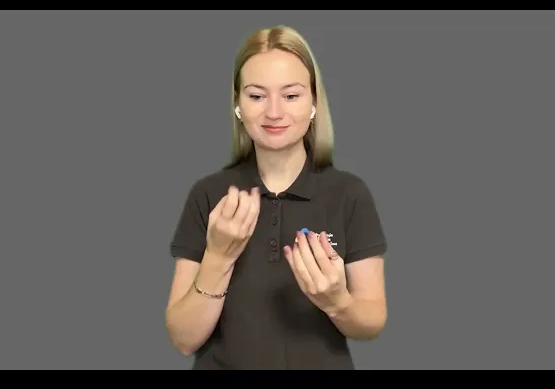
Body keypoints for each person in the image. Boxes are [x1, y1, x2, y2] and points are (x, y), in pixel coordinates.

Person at [165, 25, 388, 370]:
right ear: (237, 104)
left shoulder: (349, 194)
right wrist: (218, 257)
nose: (273, 112)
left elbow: (372, 322)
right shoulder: (208, 195)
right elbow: (183, 339)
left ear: (314, 102)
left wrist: (336, 301)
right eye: (256, 96)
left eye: (291, 95)